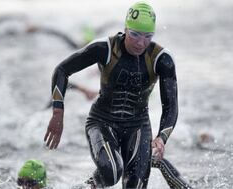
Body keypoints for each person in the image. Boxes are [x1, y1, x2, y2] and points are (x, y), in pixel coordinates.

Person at [44, 1, 178, 188]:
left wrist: (161, 138)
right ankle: (90, 186)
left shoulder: (162, 59)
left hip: (138, 126)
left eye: (148, 36)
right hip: (102, 121)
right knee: (111, 172)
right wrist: (58, 112)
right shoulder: (105, 48)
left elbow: (170, 106)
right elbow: (62, 70)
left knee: (135, 184)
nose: (140, 43)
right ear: (125, 29)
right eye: (135, 35)